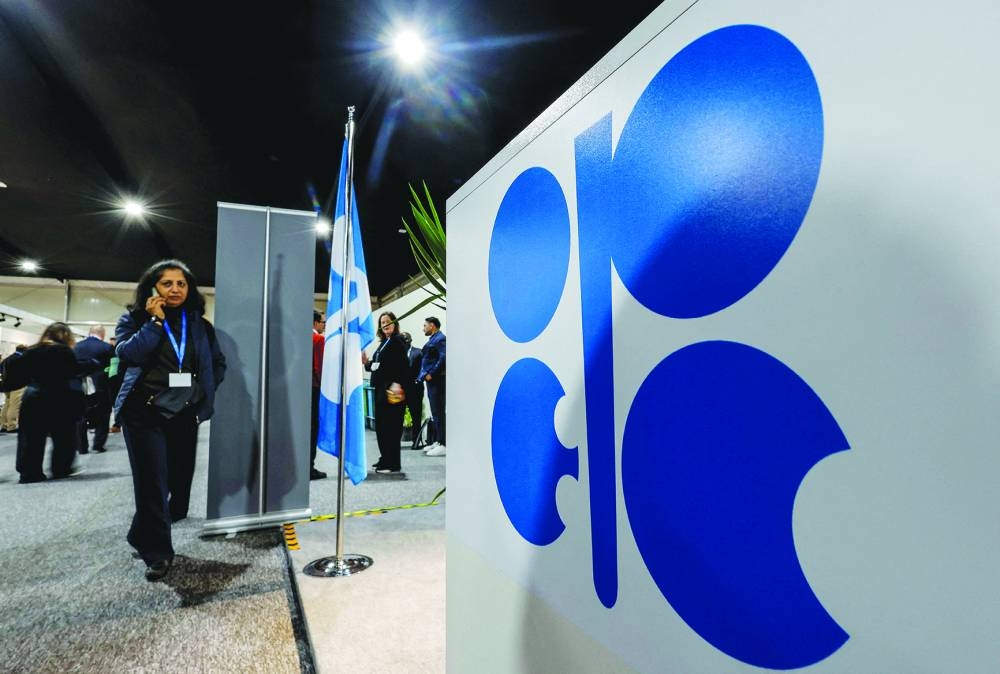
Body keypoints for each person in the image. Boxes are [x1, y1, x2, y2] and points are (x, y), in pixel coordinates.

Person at [114, 259, 226, 581]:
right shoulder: (134, 319)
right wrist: (154, 321)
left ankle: (140, 533)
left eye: (181, 284)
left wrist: (202, 391)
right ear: (153, 288)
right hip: (143, 412)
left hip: (183, 412)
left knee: (177, 480)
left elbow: (218, 363)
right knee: (152, 482)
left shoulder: (200, 326)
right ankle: (158, 553)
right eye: (167, 283)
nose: (175, 289)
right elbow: (129, 354)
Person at [12, 324, 89, 483]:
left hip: (33, 397)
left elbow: (19, 377)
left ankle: (29, 473)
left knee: (31, 437)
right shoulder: (64, 351)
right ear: (66, 336)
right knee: (63, 435)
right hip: (59, 397)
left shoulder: (31, 350)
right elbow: (72, 372)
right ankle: (61, 468)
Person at [361, 311, 409, 473]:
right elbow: (377, 365)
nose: (385, 325)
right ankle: (385, 458)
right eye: (382, 323)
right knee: (382, 426)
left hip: (392, 389)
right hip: (381, 388)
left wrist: (397, 383)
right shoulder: (383, 343)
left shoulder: (397, 341)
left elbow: (402, 366)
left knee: (391, 427)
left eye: (388, 321)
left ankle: (392, 463)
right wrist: (367, 363)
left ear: (394, 323)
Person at [74, 325, 115, 453]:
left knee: (80, 416)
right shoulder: (107, 347)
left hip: (80, 386)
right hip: (101, 386)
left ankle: (82, 447)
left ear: (89, 332)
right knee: (103, 415)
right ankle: (98, 445)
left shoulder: (76, 346)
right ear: (102, 334)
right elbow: (113, 370)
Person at [419, 316, 446, 457]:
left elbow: (443, 357)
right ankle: (438, 440)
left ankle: (444, 444)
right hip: (432, 381)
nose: (423, 328)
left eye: (425, 325)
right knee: (435, 411)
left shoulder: (440, 339)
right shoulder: (434, 339)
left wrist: (432, 373)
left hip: (437, 380)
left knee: (439, 411)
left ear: (432, 325)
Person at [309, 310, 327, 480]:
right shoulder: (318, 339)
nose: (324, 325)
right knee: (313, 428)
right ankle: (310, 467)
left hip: (303, 391)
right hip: (315, 388)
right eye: (323, 322)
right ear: (315, 323)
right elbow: (319, 367)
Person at [400, 332, 424, 449]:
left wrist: (418, 380)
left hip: (415, 389)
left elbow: (423, 368)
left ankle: (416, 441)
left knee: (416, 416)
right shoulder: (396, 354)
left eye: (405, 340)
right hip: (400, 390)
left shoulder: (418, 352)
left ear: (410, 340)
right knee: (396, 416)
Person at [0, 344, 28, 433]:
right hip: (17, 386)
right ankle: (12, 426)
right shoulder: (21, 360)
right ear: (25, 351)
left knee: (7, 404)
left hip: (6, 386)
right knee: (15, 406)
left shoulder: (6, 359)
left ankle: (4, 425)